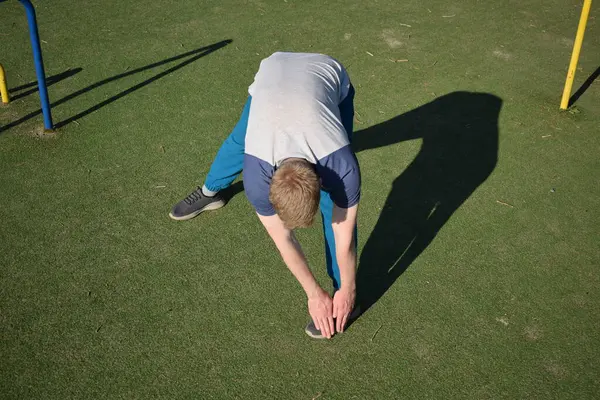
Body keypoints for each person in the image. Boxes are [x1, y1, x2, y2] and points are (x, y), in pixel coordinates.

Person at [169, 52, 360, 339]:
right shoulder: (256, 176)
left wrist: (348, 289)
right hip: (274, 72)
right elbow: (283, 239)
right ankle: (212, 191)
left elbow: (344, 240)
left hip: (326, 71)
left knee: (331, 205)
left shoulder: (342, 167)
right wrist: (312, 294)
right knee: (237, 141)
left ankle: (339, 292)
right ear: (269, 183)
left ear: (319, 177)